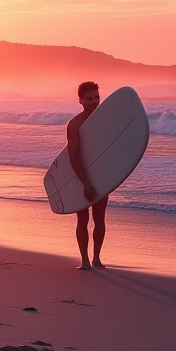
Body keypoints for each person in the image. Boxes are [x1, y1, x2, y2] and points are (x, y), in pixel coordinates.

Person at [67, 80, 107, 269]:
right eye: (89, 98)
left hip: (100, 176)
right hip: (79, 176)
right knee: (82, 219)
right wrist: (85, 183)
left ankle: (97, 258)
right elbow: (73, 156)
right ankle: (84, 261)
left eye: (97, 97)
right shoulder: (74, 124)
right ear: (80, 101)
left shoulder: (106, 120)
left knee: (99, 218)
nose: (94, 101)